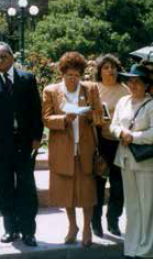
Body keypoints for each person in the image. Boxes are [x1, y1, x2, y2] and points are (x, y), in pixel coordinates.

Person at [0, 42, 43, 247]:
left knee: (26, 187)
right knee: (3, 187)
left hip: (23, 142)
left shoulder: (27, 79)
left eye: (3, 56)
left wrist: (37, 137)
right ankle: (10, 229)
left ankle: (28, 231)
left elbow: (36, 110)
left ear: (12, 57)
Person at [42, 52, 102, 247]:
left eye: (77, 75)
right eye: (69, 75)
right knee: (66, 191)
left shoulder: (90, 89)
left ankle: (87, 228)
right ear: (62, 73)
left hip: (85, 147)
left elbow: (100, 117)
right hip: (63, 149)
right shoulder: (51, 91)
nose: (73, 79)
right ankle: (72, 226)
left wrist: (92, 115)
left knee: (87, 191)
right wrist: (64, 119)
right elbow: (46, 119)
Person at [109, 64, 153, 258]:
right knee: (132, 206)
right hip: (126, 159)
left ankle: (147, 251)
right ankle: (131, 248)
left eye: (138, 81)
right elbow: (113, 125)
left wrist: (133, 137)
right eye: (131, 81)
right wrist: (120, 133)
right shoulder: (123, 101)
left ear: (147, 85)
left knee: (147, 207)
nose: (133, 85)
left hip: (147, 162)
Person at [91, 54, 128, 238]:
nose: (110, 70)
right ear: (99, 71)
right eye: (106, 67)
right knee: (98, 184)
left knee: (118, 186)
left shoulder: (125, 90)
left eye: (113, 67)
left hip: (120, 143)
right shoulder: (93, 89)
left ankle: (113, 221)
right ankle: (95, 222)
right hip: (100, 141)